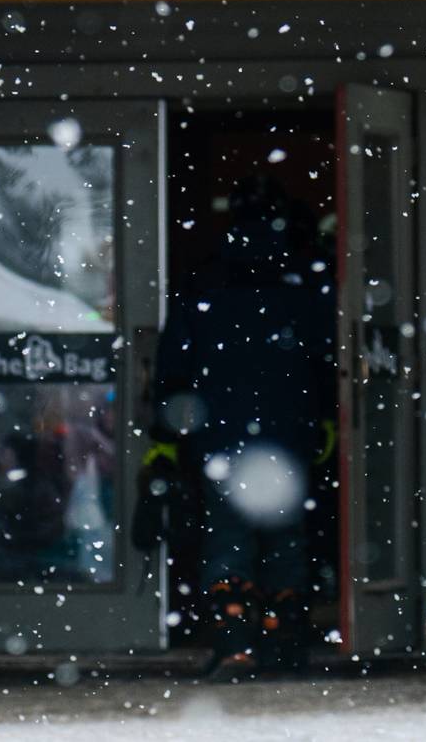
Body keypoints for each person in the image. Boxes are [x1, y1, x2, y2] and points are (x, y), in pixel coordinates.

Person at [152, 175, 336, 678]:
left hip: (222, 434)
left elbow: (175, 365)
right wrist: (324, 418)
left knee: (227, 537)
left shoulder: (203, 282)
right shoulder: (304, 281)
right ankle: (284, 639)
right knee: (286, 536)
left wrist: (167, 432)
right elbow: (326, 358)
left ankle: (236, 641)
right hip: (289, 429)